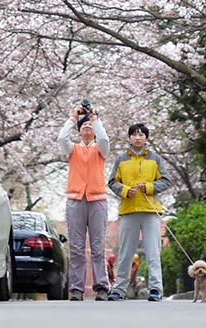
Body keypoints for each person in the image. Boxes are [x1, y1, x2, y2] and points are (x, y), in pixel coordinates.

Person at [107, 123, 171, 302]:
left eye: (141, 134)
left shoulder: (155, 158)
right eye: (134, 134)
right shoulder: (121, 159)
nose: (137, 137)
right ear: (129, 138)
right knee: (126, 253)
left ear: (146, 138)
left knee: (153, 252)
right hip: (129, 211)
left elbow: (166, 180)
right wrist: (126, 191)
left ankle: (156, 289)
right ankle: (119, 289)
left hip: (150, 211)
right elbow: (112, 182)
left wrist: (149, 187)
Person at [57, 100, 110, 301]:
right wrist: (73, 117)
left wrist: (94, 118)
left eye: (90, 125)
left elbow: (104, 138)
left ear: (94, 130)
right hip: (75, 200)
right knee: (77, 247)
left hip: (98, 201)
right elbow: (61, 138)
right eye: (84, 125)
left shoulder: (101, 150)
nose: (87, 126)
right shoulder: (72, 150)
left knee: (98, 247)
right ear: (79, 131)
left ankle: (102, 287)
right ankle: (76, 289)